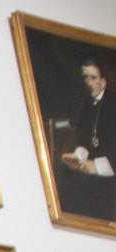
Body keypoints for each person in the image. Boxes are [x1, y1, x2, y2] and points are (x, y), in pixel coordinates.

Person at [57, 56, 115, 220]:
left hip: (107, 175)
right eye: (85, 77)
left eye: (93, 78)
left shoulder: (112, 106)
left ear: (102, 82)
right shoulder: (86, 104)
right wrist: (78, 157)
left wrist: (95, 166)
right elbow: (84, 140)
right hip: (88, 172)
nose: (88, 82)